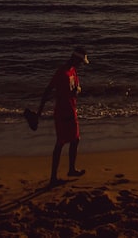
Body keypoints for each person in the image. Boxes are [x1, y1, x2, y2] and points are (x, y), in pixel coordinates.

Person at [29, 47, 89, 186]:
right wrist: (39, 113)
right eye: (80, 61)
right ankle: (53, 178)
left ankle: (71, 169)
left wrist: (77, 90)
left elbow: (77, 88)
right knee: (61, 143)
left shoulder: (73, 70)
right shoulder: (62, 73)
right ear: (75, 59)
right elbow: (47, 91)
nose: (81, 64)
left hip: (71, 110)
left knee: (75, 139)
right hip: (62, 112)